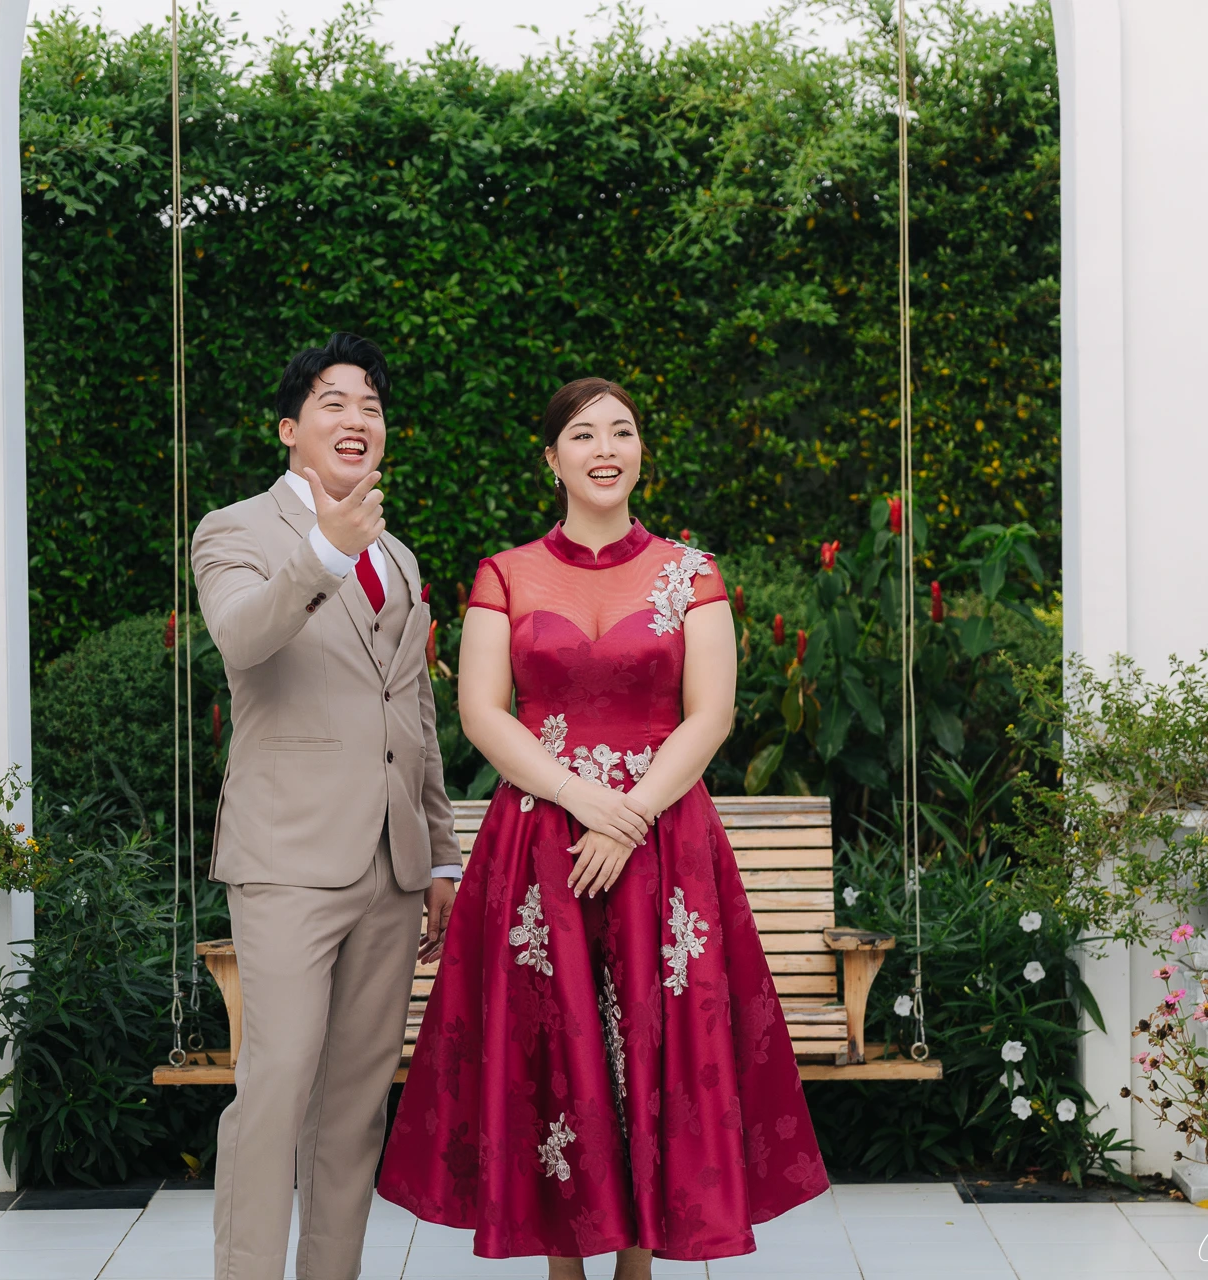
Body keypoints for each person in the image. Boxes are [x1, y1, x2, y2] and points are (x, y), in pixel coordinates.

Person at [376, 377, 829, 1276]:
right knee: (554, 1049)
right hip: (540, 848)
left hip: (663, 845)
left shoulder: (692, 573)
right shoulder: (504, 574)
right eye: (584, 435)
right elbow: (481, 712)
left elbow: (710, 715)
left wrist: (630, 816)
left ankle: (638, 1266)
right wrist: (581, 799)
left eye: (622, 432)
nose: (606, 449)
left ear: (640, 453)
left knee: (657, 1050)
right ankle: (563, 1263)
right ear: (552, 459)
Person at [191, 332, 461, 1280]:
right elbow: (240, 636)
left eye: (371, 407)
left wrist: (439, 854)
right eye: (334, 403)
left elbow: (413, 713)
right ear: (289, 429)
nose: (357, 419)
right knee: (274, 1090)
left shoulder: (400, 556)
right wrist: (321, 553)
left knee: (353, 1110)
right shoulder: (235, 530)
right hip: (286, 862)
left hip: (391, 871)